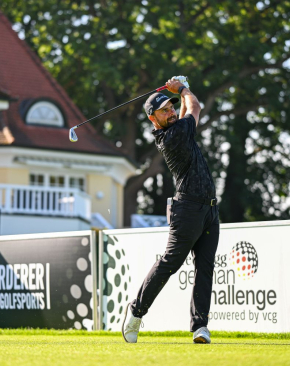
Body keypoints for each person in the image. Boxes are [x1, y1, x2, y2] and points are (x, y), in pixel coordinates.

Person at [122, 77, 220, 344]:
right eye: (164, 110)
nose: (171, 112)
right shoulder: (172, 136)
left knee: (205, 267)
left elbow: (188, 112)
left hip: (210, 209)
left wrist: (181, 92)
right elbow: (195, 107)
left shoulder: (180, 127)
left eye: (172, 107)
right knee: (169, 264)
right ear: (154, 120)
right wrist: (183, 88)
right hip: (187, 209)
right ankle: (136, 311)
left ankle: (200, 326)